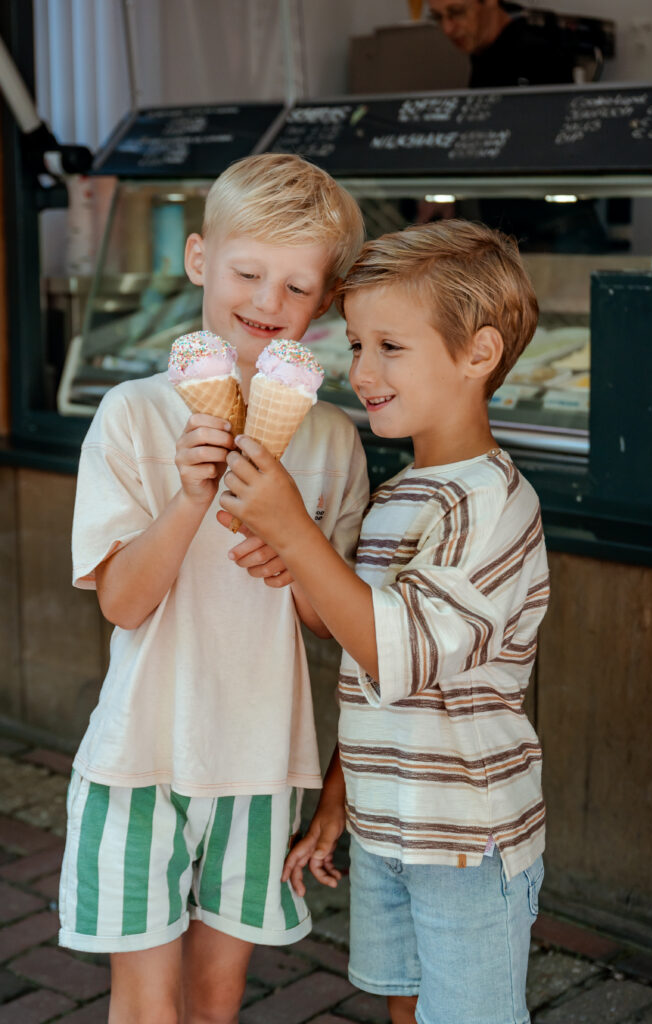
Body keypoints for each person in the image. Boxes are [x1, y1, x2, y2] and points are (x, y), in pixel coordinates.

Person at [58, 152, 369, 1023]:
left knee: (215, 999)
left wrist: (296, 544)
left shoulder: (331, 442)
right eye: (247, 273)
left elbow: (328, 623)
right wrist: (192, 497)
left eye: (298, 287)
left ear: (328, 298)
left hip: (261, 762)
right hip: (140, 755)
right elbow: (121, 602)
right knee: (148, 1007)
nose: (268, 303)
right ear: (200, 260)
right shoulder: (133, 414)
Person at [219, 218, 550, 1024]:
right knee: (401, 1006)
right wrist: (339, 798)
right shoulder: (400, 494)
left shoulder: (492, 505)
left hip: (466, 838)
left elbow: (396, 651)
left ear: (476, 355)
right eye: (355, 344)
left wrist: (297, 532)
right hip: (386, 823)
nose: (360, 371)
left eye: (389, 348)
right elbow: (368, 671)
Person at [428, 0, 574, 88]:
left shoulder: (541, 57)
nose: (447, 29)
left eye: (457, 12)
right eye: (437, 17)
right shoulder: (481, 52)